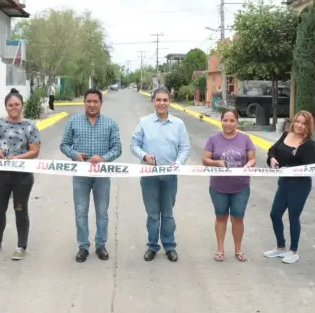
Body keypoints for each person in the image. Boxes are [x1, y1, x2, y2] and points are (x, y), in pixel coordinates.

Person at [60, 89, 122, 263]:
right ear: (84, 102)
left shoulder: (110, 123)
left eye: (95, 101)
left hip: (102, 175)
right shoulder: (74, 122)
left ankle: (101, 245)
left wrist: (103, 158)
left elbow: (117, 148)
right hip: (81, 174)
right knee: (81, 211)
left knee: (102, 212)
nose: (92, 105)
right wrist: (75, 155)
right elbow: (64, 145)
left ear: (101, 103)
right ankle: (83, 246)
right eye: (89, 101)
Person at [130, 87, 191, 262]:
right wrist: (144, 156)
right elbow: (134, 145)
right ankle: (152, 246)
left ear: (169, 101)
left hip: (170, 176)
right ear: (153, 101)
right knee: (152, 214)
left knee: (168, 213)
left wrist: (178, 163)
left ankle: (170, 246)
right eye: (158, 100)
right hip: (149, 175)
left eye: (165, 100)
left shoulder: (178, 124)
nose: (162, 103)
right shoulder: (144, 122)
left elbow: (185, 147)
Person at [0, 88, 41, 261]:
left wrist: (18, 158)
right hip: (1, 174)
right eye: (10, 105)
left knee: (20, 209)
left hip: (22, 176)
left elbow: (35, 151)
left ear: (22, 106)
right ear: (5, 106)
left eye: (17, 104)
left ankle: (21, 246)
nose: (14, 108)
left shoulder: (30, 126)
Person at [263, 111, 315, 264]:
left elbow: (314, 166)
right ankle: (280, 247)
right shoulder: (286, 135)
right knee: (275, 214)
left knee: (293, 217)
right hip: (284, 182)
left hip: (300, 185)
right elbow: (272, 150)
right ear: (294, 122)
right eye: (298, 122)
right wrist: (272, 159)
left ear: (309, 126)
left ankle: (293, 251)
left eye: (304, 123)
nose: (300, 125)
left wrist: (294, 166)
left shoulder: (309, 145)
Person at [202, 109, 256, 262]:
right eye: (225, 120)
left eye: (232, 120)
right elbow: (205, 159)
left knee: (238, 217)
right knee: (221, 216)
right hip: (218, 186)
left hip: (241, 186)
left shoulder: (245, 139)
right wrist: (216, 162)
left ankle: (238, 249)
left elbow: (252, 159)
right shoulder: (213, 139)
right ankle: (220, 249)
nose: (228, 123)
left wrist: (249, 165)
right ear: (221, 121)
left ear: (237, 122)